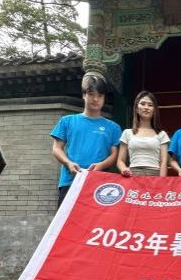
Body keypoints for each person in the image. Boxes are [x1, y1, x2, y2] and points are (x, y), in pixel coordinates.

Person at [50, 74, 121, 205]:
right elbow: (56, 149)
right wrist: (68, 163)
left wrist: (101, 165)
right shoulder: (67, 121)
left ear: (104, 98)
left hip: (100, 185)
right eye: (91, 94)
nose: (95, 99)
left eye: (100, 95)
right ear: (84, 95)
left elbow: (114, 154)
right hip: (70, 181)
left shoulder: (113, 127)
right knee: (67, 218)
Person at [117, 91, 171, 177]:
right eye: (143, 104)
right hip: (132, 175)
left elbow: (163, 163)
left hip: (155, 175)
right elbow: (120, 161)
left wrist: (161, 181)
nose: (146, 107)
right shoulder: (127, 133)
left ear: (154, 110)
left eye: (150, 105)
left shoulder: (162, 134)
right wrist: (124, 169)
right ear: (136, 109)